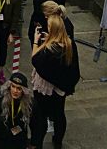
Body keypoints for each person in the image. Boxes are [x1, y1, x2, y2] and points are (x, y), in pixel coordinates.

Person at [30, 11, 80, 149]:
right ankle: (58, 140)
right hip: (60, 89)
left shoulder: (49, 50)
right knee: (59, 114)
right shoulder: (69, 44)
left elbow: (35, 59)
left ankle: (36, 143)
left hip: (45, 89)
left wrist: (36, 41)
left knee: (39, 117)